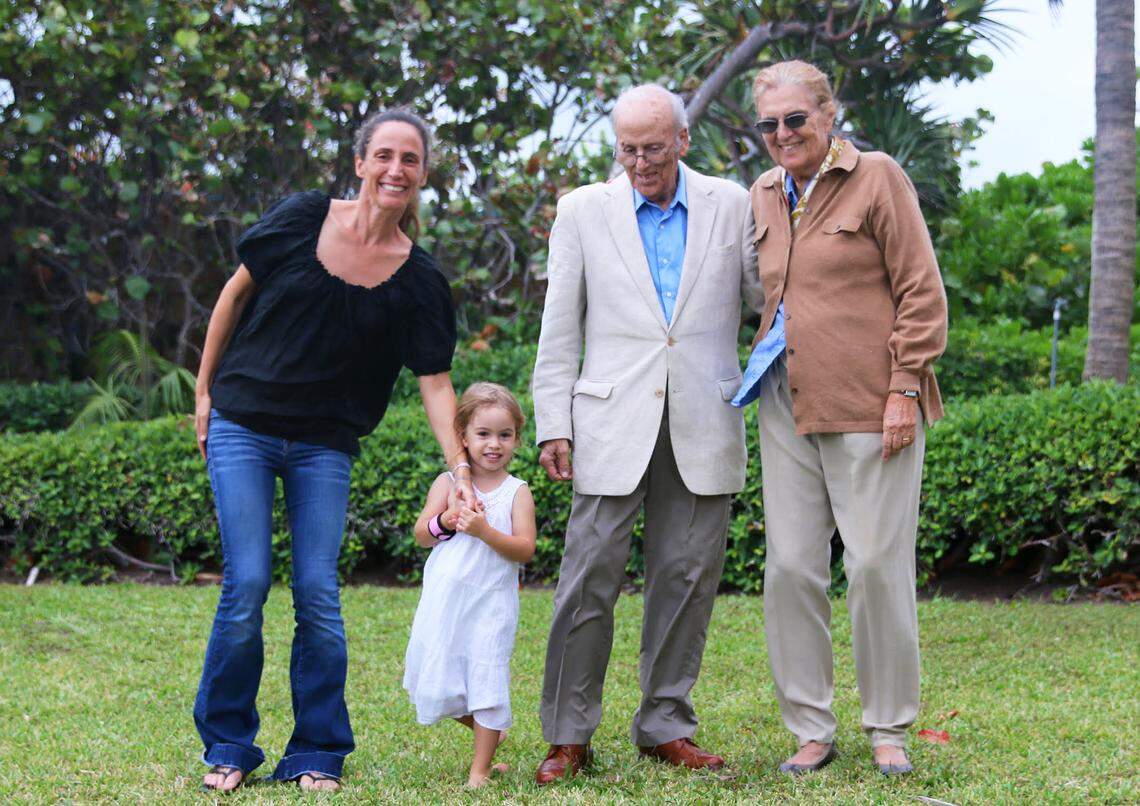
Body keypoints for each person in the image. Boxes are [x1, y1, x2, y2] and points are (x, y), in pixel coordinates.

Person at [192, 108, 476, 793]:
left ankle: (317, 749)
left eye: (409, 159)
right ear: (360, 163)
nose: (395, 169)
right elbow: (233, 297)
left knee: (317, 592)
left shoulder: (418, 282)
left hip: (325, 446)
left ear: (422, 176)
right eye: (384, 155)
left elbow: (435, 383)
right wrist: (204, 393)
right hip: (244, 425)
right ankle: (228, 743)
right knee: (249, 582)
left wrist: (459, 464)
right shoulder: (300, 219)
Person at [530, 84, 765, 784]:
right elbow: (558, 327)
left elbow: (766, 297)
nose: (639, 161)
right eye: (627, 149)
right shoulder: (580, 211)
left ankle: (665, 723)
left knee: (686, 581)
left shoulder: (732, 202)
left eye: (653, 148)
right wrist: (553, 422)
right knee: (586, 582)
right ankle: (569, 734)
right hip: (606, 422)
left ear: (683, 141)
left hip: (705, 418)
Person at [733, 60, 948, 776]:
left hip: (872, 401)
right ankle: (812, 728)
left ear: (829, 114)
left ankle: (888, 726)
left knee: (877, 566)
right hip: (786, 403)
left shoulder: (878, 175)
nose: (783, 134)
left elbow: (921, 291)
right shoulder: (761, 194)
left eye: (796, 118)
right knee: (791, 567)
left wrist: (904, 389)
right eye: (769, 124)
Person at [403, 382, 537, 788]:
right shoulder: (447, 484)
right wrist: (445, 521)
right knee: (434, 675)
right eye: (483, 434)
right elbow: (421, 534)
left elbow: (524, 549)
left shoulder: (517, 493)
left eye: (504, 435)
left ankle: (480, 769)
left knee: (486, 675)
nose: (493, 444)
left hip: (491, 603)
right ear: (462, 437)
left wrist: (484, 531)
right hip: (447, 600)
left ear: (516, 438)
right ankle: (490, 730)